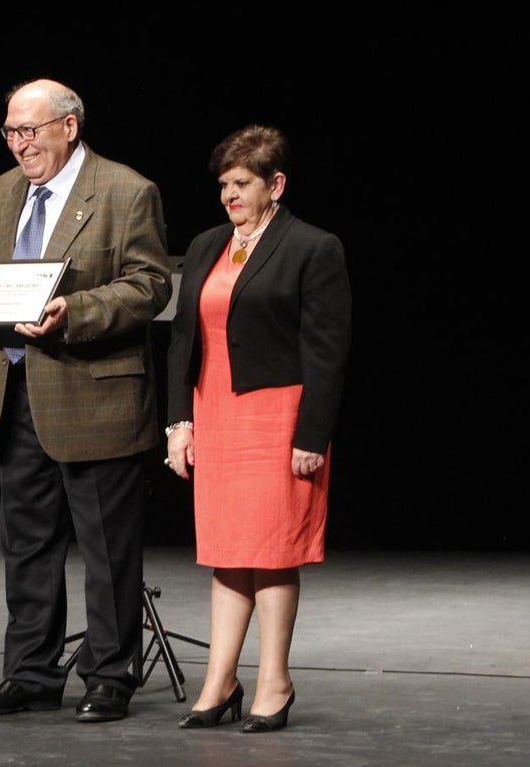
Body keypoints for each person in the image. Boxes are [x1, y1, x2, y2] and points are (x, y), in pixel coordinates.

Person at [0, 78, 173, 723]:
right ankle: (30, 675)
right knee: (27, 548)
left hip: (95, 396)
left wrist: (76, 309)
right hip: (17, 392)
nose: (19, 145)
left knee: (107, 550)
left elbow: (151, 286)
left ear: (69, 127)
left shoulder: (126, 190)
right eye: (10, 132)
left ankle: (110, 677)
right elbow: (3, 276)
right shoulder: (2, 191)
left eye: (30, 131)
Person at [163, 124, 351, 733]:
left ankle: (275, 681)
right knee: (226, 551)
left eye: (242, 183)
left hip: (277, 417)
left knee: (271, 553)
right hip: (215, 413)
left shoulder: (312, 247)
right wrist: (179, 422)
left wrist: (312, 435)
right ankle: (219, 682)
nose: (230, 196)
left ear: (276, 184)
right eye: (224, 184)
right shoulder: (206, 245)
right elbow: (182, 340)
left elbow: (327, 352)